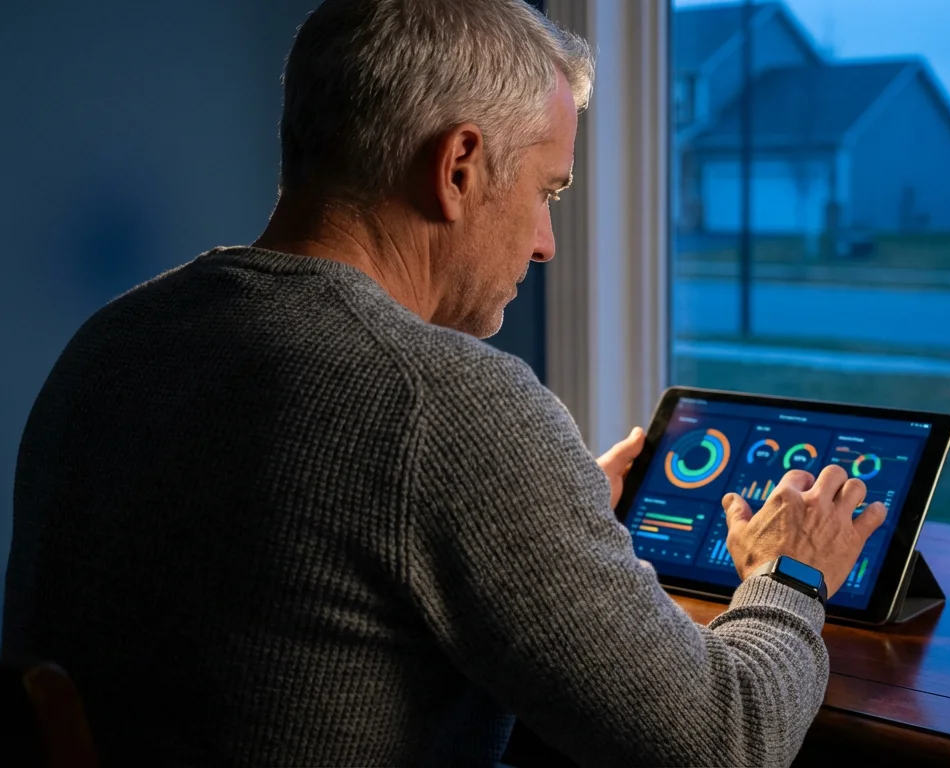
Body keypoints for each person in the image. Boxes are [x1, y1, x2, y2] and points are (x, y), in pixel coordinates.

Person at [2, 0, 887, 765]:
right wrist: (791, 571)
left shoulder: (114, 340)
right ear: (459, 166)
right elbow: (724, 743)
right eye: (549, 190)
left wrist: (548, 506)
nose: (545, 242)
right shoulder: (445, 405)